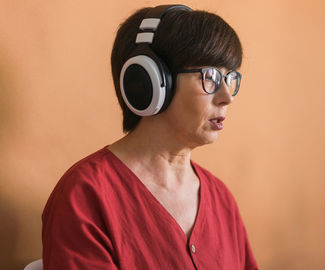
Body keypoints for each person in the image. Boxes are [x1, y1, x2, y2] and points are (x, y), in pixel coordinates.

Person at [41, 5, 258, 269]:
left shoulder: (222, 200)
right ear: (150, 82)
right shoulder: (85, 195)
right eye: (210, 76)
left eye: (230, 78)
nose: (227, 97)